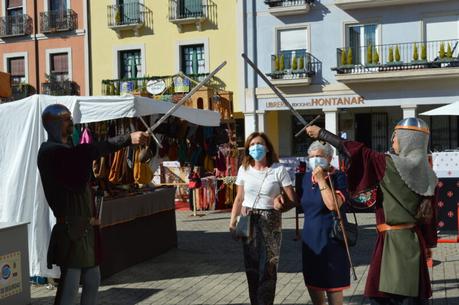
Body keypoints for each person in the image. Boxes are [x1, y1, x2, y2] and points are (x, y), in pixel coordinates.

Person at [306, 118, 438, 305]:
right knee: (411, 297)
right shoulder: (430, 174)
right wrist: (428, 245)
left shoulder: (387, 163)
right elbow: (429, 218)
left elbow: (354, 149)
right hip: (414, 243)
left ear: (407, 139)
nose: (393, 141)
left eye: (396, 137)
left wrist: (322, 134)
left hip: (390, 243)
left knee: (384, 297)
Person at [37, 104, 149, 305]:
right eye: (66, 119)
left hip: (86, 228)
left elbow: (82, 163)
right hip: (71, 229)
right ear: (53, 125)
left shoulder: (68, 152)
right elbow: (86, 154)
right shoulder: (51, 152)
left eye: (70, 118)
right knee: (70, 285)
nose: (71, 122)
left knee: (92, 279)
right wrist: (126, 139)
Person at [229, 132, 296, 305]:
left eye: (259, 143)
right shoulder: (244, 169)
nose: (255, 147)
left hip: (270, 220)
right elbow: (239, 198)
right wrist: (232, 222)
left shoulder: (278, 170)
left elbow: (293, 199)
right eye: (251, 144)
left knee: (268, 267)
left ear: (267, 148)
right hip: (247, 218)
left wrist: (281, 204)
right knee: (251, 266)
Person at [293, 141, 350, 305]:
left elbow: (333, 205)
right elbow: (298, 202)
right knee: (313, 282)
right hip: (310, 238)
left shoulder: (339, 177)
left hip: (332, 240)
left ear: (330, 158)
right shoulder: (304, 178)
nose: (315, 160)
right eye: (312, 157)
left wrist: (321, 180)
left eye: (319, 156)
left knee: (333, 284)